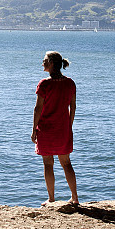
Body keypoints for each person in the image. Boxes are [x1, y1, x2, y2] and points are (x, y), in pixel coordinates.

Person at [31, 51, 78, 206]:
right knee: (66, 163)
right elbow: (73, 107)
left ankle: (51, 198)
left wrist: (33, 130)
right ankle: (75, 198)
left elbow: (38, 109)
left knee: (48, 163)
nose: (42, 63)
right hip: (63, 129)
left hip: (45, 129)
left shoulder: (44, 84)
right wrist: (69, 127)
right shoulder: (70, 83)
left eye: (44, 60)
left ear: (51, 63)